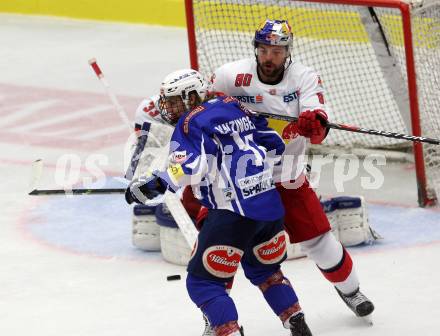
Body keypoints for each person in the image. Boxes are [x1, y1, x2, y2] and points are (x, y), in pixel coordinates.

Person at [125, 69, 313, 336]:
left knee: (202, 283)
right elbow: (273, 143)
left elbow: (189, 168)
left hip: (231, 214)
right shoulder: (234, 105)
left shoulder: (189, 123)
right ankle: (295, 318)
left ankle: (229, 331)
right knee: (266, 271)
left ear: (192, 97)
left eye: (176, 101)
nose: (170, 108)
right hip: (269, 208)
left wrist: (152, 185)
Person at [209, 19, 375, 321]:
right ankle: (215, 319)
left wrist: (314, 123)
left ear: (288, 51)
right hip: (237, 182)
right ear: (256, 49)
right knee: (221, 250)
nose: (270, 57)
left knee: (320, 241)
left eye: (277, 50)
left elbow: (317, 119)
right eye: (265, 49)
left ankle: (350, 291)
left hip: (286, 176)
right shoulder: (229, 75)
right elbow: (205, 109)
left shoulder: (303, 77)